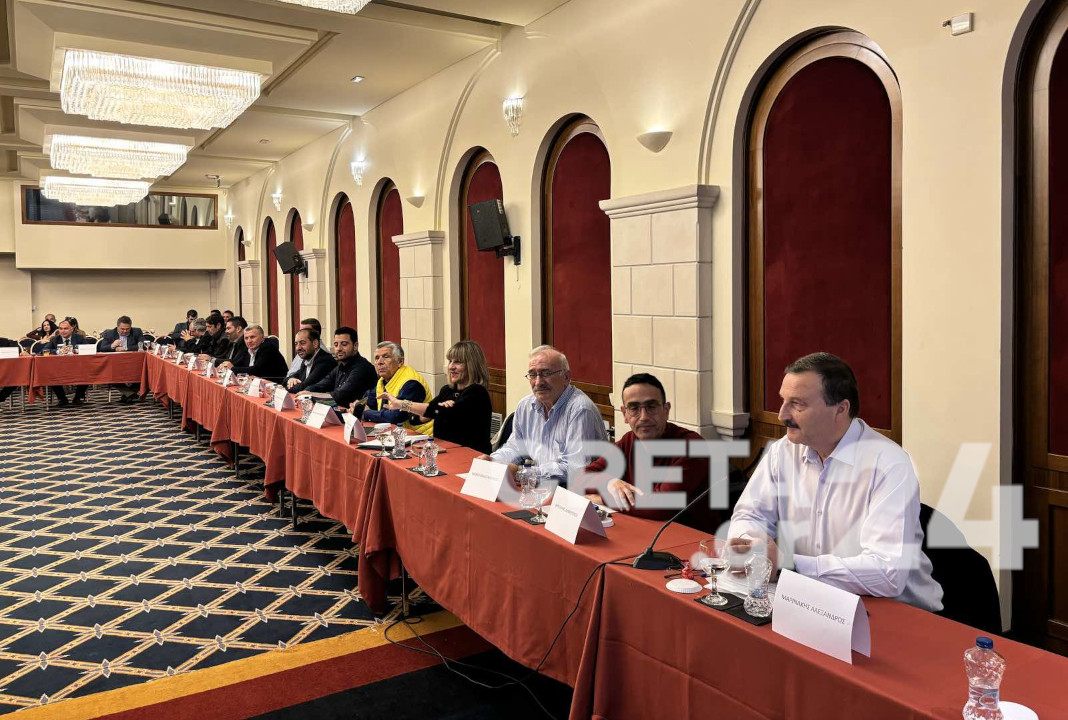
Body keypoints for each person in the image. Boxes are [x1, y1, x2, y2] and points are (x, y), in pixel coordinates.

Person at [728, 352, 943, 612]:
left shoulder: (888, 465)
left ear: (840, 409)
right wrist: (753, 547)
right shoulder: (782, 452)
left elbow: (888, 573)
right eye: (783, 400)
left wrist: (788, 564)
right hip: (814, 601)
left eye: (797, 404)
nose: (781, 415)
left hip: (896, 612)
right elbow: (749, 514)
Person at [583, 373, 715, 527]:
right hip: (640, 527)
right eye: (634, 408)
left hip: (689, 536)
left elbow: (661, 506)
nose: (644, 417)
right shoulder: (628, 441)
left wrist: (603, 498)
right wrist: (609, 482)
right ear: (625, 414)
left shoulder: (692, 446)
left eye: (651, 407)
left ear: (666, 410)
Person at [479, 345, 607, 486]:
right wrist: (492, 461)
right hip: (542, 486)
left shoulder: (580, 409)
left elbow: (575, 469)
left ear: (566, 377)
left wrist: (523, 473)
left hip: (577, 490)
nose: (538, 382)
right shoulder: (525, 405)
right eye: (533, 375)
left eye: (546, 373)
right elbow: (515, 448)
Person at [377, 340, 492, 453]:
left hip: (471, 456)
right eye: (450, 361)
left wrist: (402, 404)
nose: (451, 367)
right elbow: (418, 418)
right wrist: (434, 411)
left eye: (458, 362)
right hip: (445, 452)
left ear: (472, 366)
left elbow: (439, 411)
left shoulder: (477, 393)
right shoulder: (447, 391)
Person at [359, 342, 434, 435]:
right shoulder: (383, 380)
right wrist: (358, 407)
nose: (379, 362)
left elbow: (396, 416)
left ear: (400, 362)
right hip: (398, 435)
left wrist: (366, 413)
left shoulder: (411, 383)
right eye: (377, 358)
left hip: (422, 437)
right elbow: (369, 402)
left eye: (386, 357)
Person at [297, 327, 376, 407]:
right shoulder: (340, 367)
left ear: (355, 346)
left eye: (344, 344)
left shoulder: (362, 368)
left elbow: (340, 395)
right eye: (336, 345)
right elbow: (321, 385)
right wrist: (306, 392)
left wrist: (310, 396)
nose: (339, 348)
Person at [37, 318, 95, 406]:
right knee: (50, 375)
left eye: (66, 329)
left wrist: (76, 350)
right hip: (58, 368)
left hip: (78, 367)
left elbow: (89, 349)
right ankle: (62, 399)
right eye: (60, 329)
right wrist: (57, 351)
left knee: (87, 372)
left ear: (72, 329)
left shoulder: (79, 337)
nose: (63, 331)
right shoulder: (55, 339)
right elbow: (43, 351)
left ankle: (77, 398)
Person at [221, 325, 288, 382]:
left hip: (276, 385)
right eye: (246, 338)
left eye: (252, 337)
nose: (249, 341)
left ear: (262, 338)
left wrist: (232, 368)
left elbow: (255, 370)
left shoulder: (268, 348)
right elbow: (237, 362)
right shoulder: (247, 349)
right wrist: (225, 365)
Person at [285, 328, 334, 392]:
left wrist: (288, 386)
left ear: (315, 344)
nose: (298, 348)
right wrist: (290, 380)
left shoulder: (325, 361)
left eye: (302, 343)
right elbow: (285, 380)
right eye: (296, 344)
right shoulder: (305, 360)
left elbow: (302, 388)